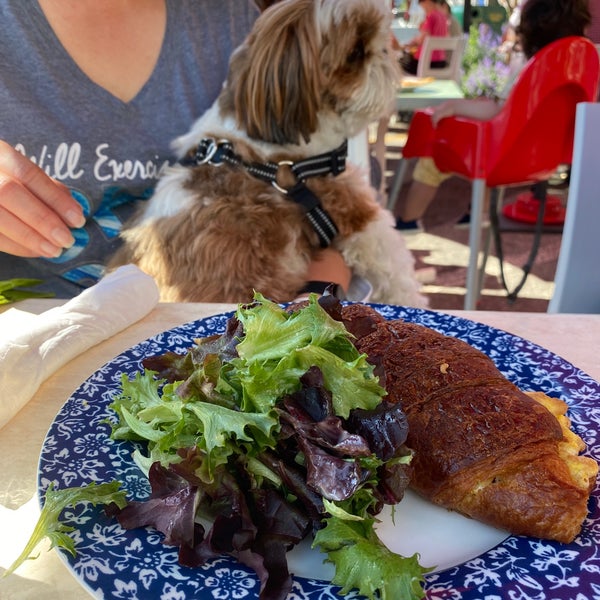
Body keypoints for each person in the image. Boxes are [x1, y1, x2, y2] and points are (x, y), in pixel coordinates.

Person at [0, 0, 352, 299]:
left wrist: (317, 297)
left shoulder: (233, 19)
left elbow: (313, 195)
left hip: (215, 333)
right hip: (28, 337)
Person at [394, 0, 591, 231]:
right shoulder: (581, 64)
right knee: (486, 144)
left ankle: (408, 220)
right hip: (546, 159)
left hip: (502, 159)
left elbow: (497, 110)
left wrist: (454, 107)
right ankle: (478, 213)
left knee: (437, 153)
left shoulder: (531, 69)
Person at [399, 0, 449, 75]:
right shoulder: (443, 17)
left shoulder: (431, 16)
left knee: (399, 63)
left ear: (427, 2)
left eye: (422, 5)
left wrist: (408, 44)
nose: (423, 9)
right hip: (441, 62)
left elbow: (421, 40)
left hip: (424, 63)